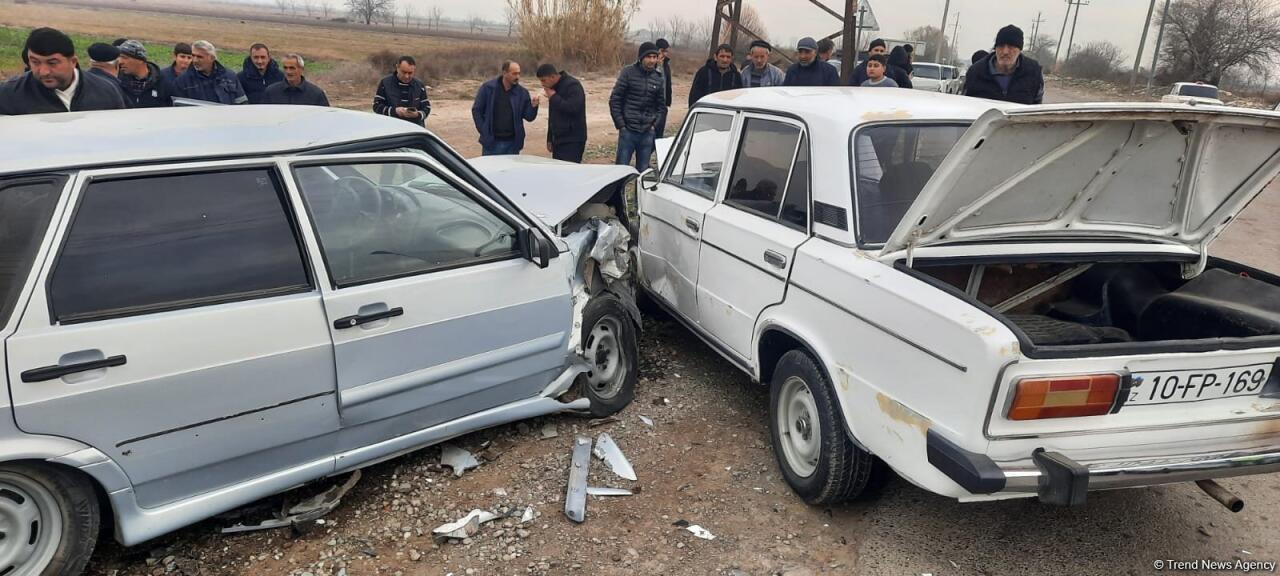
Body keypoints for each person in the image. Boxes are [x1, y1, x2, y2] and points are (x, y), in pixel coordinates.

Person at [0, 27, 126, 114]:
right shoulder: (9, 94)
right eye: (35, 62)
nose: (43, 71)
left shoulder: (105, 92)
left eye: (52, 63)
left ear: (73, 62)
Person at [609, 42, 666, 171]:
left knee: (642, 173)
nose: (652, 60)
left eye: (654, 57)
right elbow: (615, 100)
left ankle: (638, 192)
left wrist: (653, 126)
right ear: (641, 57)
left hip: (647, 133)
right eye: (649, 57)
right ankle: (618, 192)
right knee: (620, 172)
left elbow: (661, 107)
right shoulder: (628, 73)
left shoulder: (658, 78)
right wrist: (621, 125)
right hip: (628, 131)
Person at [963, 25, 1044, 105]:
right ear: (995, 48)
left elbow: (1036, 107)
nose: (1005, 52)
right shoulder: (976, 72)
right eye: (1001, 46)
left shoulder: (1033, 72)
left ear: (1019, 50)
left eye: (1011, 46)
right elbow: (965, 104)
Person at [472, 61, 540, 156]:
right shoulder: (488, 88)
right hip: (492, 143)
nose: (517, 77)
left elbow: (529, 117)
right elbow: (477, 110)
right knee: (491, 170)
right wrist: (484, 131)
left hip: (512, 144)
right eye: (514, 74)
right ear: (504, 73)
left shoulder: (522, 93)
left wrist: (534, 106)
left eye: (519, 73)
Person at [536, 64, 587, 163]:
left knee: (569, 172)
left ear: (553, 77)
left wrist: (554, 97)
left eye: (543, 80)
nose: (542, 84)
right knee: (558, 171)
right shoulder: (553, 87)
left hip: (573, 139)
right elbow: (553, 115)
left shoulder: (573, 85)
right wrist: (550, 138)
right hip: (558, 139)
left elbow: (573, 108)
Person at [175, 41, 247, 104]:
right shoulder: (183, 80)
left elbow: (242, 103)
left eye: (199, 57)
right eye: (193, 56)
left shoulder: (230, 76)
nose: (195, 60)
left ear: (212, 58)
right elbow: (180, 109)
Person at [115, 39, 176, 108]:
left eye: (124, 58)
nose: (120, 62)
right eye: (119, 57)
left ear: (140, 60)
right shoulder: (117, 81)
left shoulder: (164, 83)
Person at [374, 55, 431, 125]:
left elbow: (426, 108)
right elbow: (376, 106)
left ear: (414, 70)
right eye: (404, 72)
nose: (406, 76)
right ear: (397, 67)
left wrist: (417, 114)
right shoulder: (385, 83)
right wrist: (394, 111)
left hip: (415, 129)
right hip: (391, 128)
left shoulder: (419, 85)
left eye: (410, 73)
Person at [263, 53, 329, 106]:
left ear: (301, 69)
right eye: (285, 68)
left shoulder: (316, 94)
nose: (288, 72)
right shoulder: (271, 92)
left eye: (292, 68)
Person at [654, 38, 673, 139]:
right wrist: (658, 66)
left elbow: (667, 84)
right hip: (652, 106)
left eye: (666, 51)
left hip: (663, 105)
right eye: (662, 51)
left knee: (659, 136)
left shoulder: (666, 65)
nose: (664, 54)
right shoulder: (651, 64)